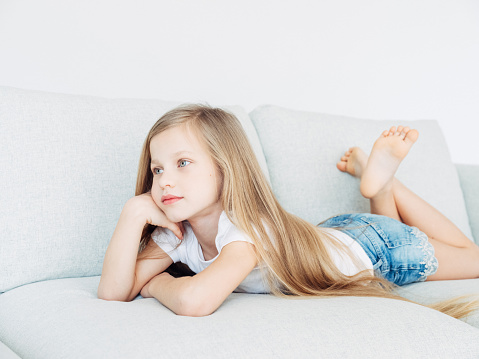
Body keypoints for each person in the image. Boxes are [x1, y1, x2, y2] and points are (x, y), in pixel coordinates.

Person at [98, 105, 479, 318]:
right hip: (336, 236)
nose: (164, 180)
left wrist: (155, 284)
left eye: (183, 163)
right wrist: (131, 214)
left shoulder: (245, 229)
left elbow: (195, 302)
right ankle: (378, 185)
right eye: (157, 169)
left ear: (225, 168)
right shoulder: (176, 232)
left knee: (473, 257)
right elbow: (113, 293)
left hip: (377, 249)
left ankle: (386, 185)